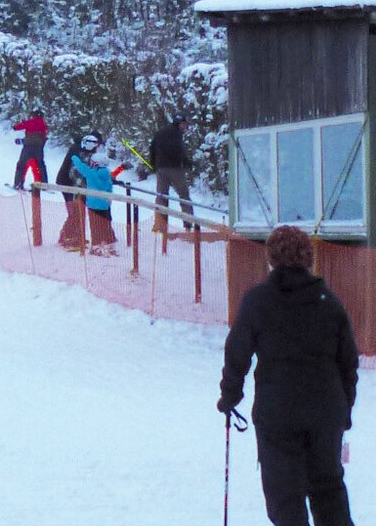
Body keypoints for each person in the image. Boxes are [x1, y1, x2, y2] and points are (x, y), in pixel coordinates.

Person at [219, 225, 360, 526]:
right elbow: (348, 363)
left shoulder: (257, 301)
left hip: (278, 410)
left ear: (270, 260)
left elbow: (237, 351)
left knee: (285, 495)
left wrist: (230, 395)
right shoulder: (329, 302)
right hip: (325, 410)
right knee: (328, 487)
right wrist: (344, 409)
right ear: (309, 259)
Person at [67, 142, 124, 254]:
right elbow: (111, 184)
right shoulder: (107, 174)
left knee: (95, 226)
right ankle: (109, 245)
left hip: (93, 205)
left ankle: (96, 246)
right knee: (106, 224)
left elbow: (81, 167)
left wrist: (74, 157)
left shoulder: (91, 173)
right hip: (105, 205)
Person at [147, 112, 193, 232]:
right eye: (184, 124)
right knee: (184, 196)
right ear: (179, 123)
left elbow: (152, 149)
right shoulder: (177, 135)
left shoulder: (160, 133)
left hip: (161, 169)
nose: (185, 127)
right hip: (175, 169)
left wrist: (153, 165)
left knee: (162, 196)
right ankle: (188, 225)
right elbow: (179, 152)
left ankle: (160, 224)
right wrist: (187, 162)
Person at [11, 110, 49, 190]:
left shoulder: (30, 122)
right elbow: (44, 136)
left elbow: (16, 127)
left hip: (28, 147)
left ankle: (18, 184)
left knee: (21, 165)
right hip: (39, 148)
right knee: (40, 166)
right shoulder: (44, 125)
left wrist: (15, 126)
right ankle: (44, 185)